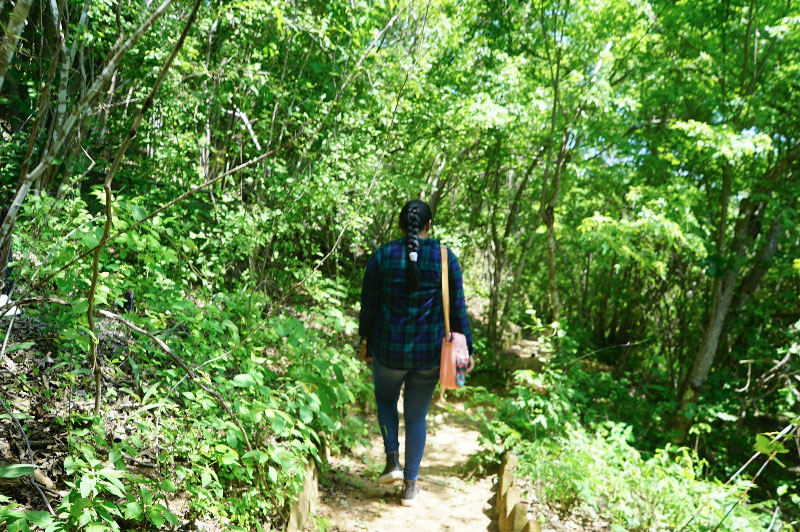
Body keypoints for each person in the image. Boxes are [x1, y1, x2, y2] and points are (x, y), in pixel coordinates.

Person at [358, 199, 474, 506]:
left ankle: (391, 462)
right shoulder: (445, 258)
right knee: (417, 417)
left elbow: (367, 306)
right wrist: (468, 349)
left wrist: (365, 341)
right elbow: (459, 310)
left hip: (387, 350)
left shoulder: (382, 256)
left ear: (400, 226)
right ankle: (410, 486)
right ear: (428, 226)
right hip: (428, 355)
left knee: (385, 400)